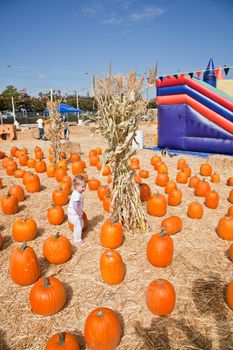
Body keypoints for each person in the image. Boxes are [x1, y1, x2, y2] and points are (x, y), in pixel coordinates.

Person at [68, 175, 87, 245]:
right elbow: (75, 206)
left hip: (76, 213)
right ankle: (77, 240)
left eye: (85, 186)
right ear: (76, 186)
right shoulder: (76, 195)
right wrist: (79, 213)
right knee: (78, 226)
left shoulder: (78, 193)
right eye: (82, 187)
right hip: (74, 214)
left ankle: (76, 234)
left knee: (81, 224)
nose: (84, 188)